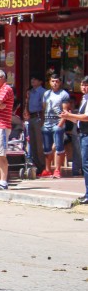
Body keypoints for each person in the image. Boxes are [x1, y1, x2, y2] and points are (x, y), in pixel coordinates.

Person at [59, 76, 88, 204]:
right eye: (82, 84)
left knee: (86, 165)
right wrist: (67, 117)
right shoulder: (84, 99)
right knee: (85, 164)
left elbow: (86, 117)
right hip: (82, 133)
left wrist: (70, 115)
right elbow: (79, 119)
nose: (83, 87)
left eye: (86, 85)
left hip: (86, 134)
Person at [39, 74, 69, 179]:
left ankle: (57, 169)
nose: (54, 83)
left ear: (60, 82)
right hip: (47, 122)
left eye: (56, 81)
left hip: (57, 123)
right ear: (49, 82)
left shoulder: (64, 94)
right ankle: (47, 169)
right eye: (52, 81)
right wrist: (43, 123)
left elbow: (65, 111)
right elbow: (44, 109)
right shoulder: (46, 94)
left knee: (58, 147)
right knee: (47, 148)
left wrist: (60, 125)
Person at [23, 74, 46, 172]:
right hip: (31, 117)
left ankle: (42, 165)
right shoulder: (30, 92)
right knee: (32, 143)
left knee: (39, 143)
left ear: (40, 81)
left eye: (35, 79)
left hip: (38, 117)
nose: (33, 81)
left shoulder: (43, 92)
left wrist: (43, 120)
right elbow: (27, 103)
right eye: (32, 79)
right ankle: (36, 164)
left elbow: (44, 107)